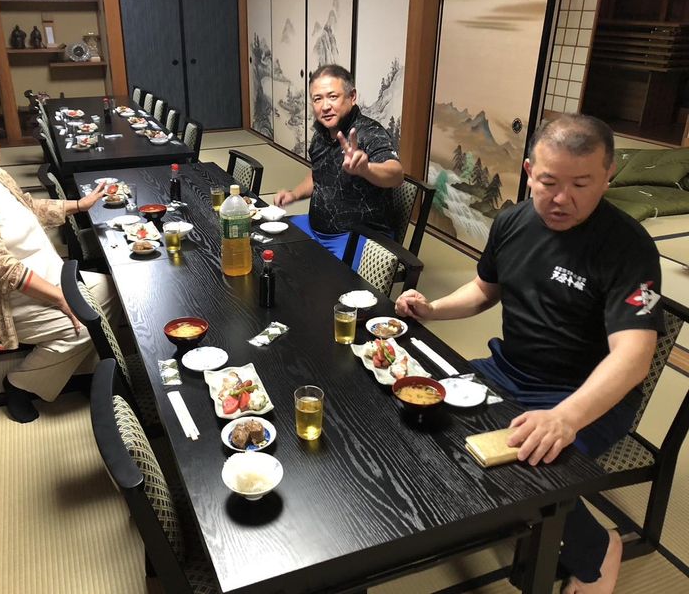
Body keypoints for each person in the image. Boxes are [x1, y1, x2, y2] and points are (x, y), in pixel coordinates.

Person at [395, 114, 662, 594]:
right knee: (421, 408)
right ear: (529, 171)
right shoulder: (513, 221)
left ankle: (598, 549)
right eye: (549, 182)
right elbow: (484, 290)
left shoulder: (629, 246)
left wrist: (566, 417)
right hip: (509, 370)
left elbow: (635, 356)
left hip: (586, 395)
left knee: (530, 465)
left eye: (581, 184)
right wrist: (432, 310)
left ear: (608, 176)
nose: (562, 198)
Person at [0, 107, 117, 424]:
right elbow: (4, 270)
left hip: (50, 277)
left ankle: (77, 367)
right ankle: (20, 384)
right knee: (86, 326)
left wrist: (79, 205)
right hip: (6, 300)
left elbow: (28, 207)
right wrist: (60, 298)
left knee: (116, 292)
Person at [274, 64, 403, 263]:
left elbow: (396, 174)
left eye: (332, 96)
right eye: (317, 99)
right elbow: (318, 175)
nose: (325, 106)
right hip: (313, 228)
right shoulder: (321, 135)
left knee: (318, 278)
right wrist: (294, 194)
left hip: (357, 237)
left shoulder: (369, 133)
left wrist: (366, 169)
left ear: (352, 97)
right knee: (270, 248)